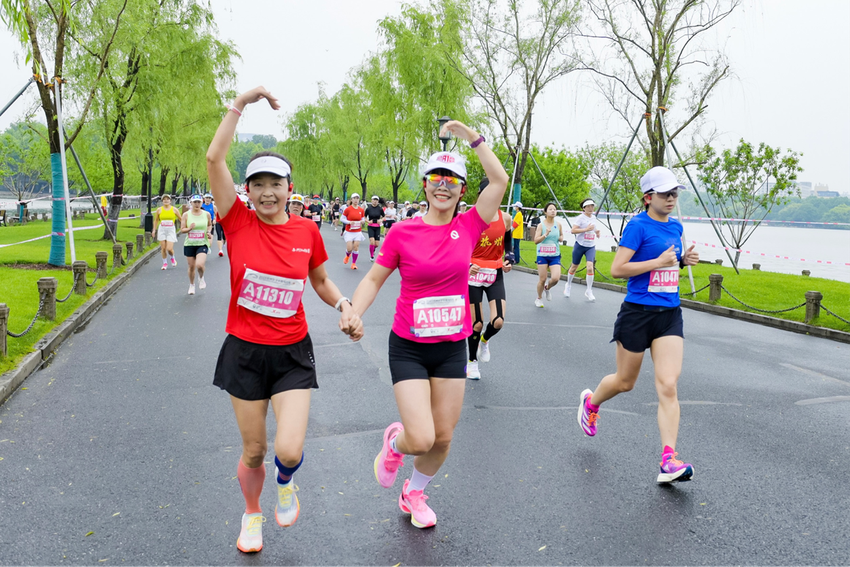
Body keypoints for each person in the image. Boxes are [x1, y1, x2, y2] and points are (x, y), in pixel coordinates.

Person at [205, 86, 362, 554]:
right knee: (254, 450)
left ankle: (286, 481)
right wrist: (241, 103)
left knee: (287, 451)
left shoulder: (306, 230)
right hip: (245, 351)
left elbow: (319, 281)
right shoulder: (236, 221)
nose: (268, 192)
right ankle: (252, 514)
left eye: (277, 184)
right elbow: (215, 160)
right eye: (258, 184)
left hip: (292, 350)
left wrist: (344, 305)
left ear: (290, 189)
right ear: (246, 191)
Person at [341, 121, 508, 529]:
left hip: (451, 346)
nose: (443, 186)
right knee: (420, 438)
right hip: (410, 347)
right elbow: (375, 278)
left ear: (462, 191)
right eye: (437, 178)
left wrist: (473, 137)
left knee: (444, 437)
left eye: (452, 181)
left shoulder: (469, 226)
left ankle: (413, 492)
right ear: (426, 185)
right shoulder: (402, 232)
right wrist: (354, 310)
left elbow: (500, 178)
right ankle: (395, 444)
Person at [577, 166, 700, 485]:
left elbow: (669, 263)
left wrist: (683, 261)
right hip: (637, 313)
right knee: (625, 381)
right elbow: (618, 269)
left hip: (669, 314)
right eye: (665, 193)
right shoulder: (637, 226)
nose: (672, 198)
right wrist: (658, 263)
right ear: (648, 198)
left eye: (675, 193)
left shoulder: (675, 226)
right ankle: (591, 403)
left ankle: (668, 460)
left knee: (669, 385)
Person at [465, 177, 513, 380]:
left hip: (495, 272)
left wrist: (509, 258)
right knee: (476, 323)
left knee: (499, 321)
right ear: (481, 195)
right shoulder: (469, 218)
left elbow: (508, 242)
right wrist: (467, 263)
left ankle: (485, 340)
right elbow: (459, 246)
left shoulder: (506, 218)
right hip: (473, 274)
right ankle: (472, 362)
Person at [564, 198, 602, 301]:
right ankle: (568, 285)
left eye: (592, 206)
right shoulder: (580, 218)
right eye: (588, 206)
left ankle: (589, 290)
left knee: (590, 267)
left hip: (591, 246)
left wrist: (597, 231)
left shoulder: (593, 218)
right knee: (574, 267)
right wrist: (585, 229)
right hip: (580, 245)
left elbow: (593, 228)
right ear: (584, 208)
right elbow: (573, 230)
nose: (591, 208)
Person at [180, 194, 213, 295]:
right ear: (191, 203)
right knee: (191, 266)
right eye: (195, 202)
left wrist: (208, 232)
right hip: (190, 243)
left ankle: (201, 277)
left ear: (201, 203)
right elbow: (182, 229)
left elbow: (209, 225)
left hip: (202, 243)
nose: (197, 204)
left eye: (199, 202)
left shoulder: (206, 214)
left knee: (199, 265)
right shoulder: (186, 215)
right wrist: (189, 228)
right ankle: (192, 285)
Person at [533, 203, 564, 307]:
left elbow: (561, 234)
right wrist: (545, 235)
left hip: (555, 255)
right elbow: (536, 241)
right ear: (545, 212)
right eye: (550, 209)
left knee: (556, 278)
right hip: (542, 255)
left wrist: (561, 238)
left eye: (554, 209)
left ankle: (547, 288)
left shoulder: (558, 224)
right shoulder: (541, 225)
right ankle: (539, 298)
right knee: (542, 279)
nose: (553, 211)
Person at [153, 194, 180, 269]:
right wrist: (154, 230)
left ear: (170, 201)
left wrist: (184, 227)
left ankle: (172, 257)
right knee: (163, 248)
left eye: (167, 199)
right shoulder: (159, 210)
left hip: (171, 229)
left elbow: (181, 219)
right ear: (162, 201)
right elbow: (156, 220)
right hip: (162, 229)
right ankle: (165, 263)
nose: (166, 200)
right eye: (164, 199)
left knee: (169, 248)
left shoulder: (174, 209)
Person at [341, 193, 365, 269]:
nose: (356, 200)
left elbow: (363, 218)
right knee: (349, 249)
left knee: (356, 247)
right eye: (354, 198)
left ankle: (353, 263)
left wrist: (362, 221)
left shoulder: (361, 210)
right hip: (349, 231)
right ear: (351, 199)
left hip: (357, 231)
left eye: (357, 198)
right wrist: (349, 222)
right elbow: (342, 219)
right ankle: (347, 256)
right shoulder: (348, 209)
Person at [364, 195, 385, 261]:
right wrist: (368, 221)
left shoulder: (380, 209)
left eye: (376, 200)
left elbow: (384, 217)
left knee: (376, 244)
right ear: (371, 200)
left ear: (378, 201)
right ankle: (372, 256)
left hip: (377, 227)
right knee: (372, 241)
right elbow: (364, 217)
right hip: (371, 226)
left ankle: (373, 249)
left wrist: (381, 220)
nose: (375, 201)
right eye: (374, 200)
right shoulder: (368, 209)